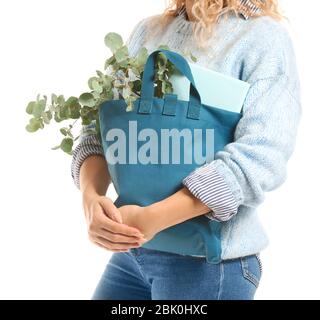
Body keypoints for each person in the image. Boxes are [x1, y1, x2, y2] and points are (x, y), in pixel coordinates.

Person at [71, 0, 302, 300]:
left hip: (208, 266)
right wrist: (91, 198)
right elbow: (99, 130)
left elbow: (261, 156)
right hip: (133, 254)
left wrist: (151, 219)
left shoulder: (262, 38)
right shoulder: (148, 32)